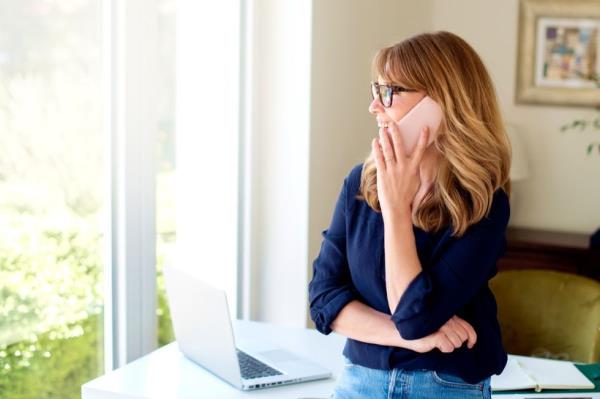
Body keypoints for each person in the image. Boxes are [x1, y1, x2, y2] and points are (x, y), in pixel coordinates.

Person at [308, 31, 512, 399]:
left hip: (445, 386)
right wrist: (414, 338)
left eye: (390, 92)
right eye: (375, 90)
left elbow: (416, 315)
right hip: (359, 381)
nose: (374, 107)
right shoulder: (360, 182)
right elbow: (323, 301)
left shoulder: (484, 203)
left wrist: (396, 209)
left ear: (442, 101)